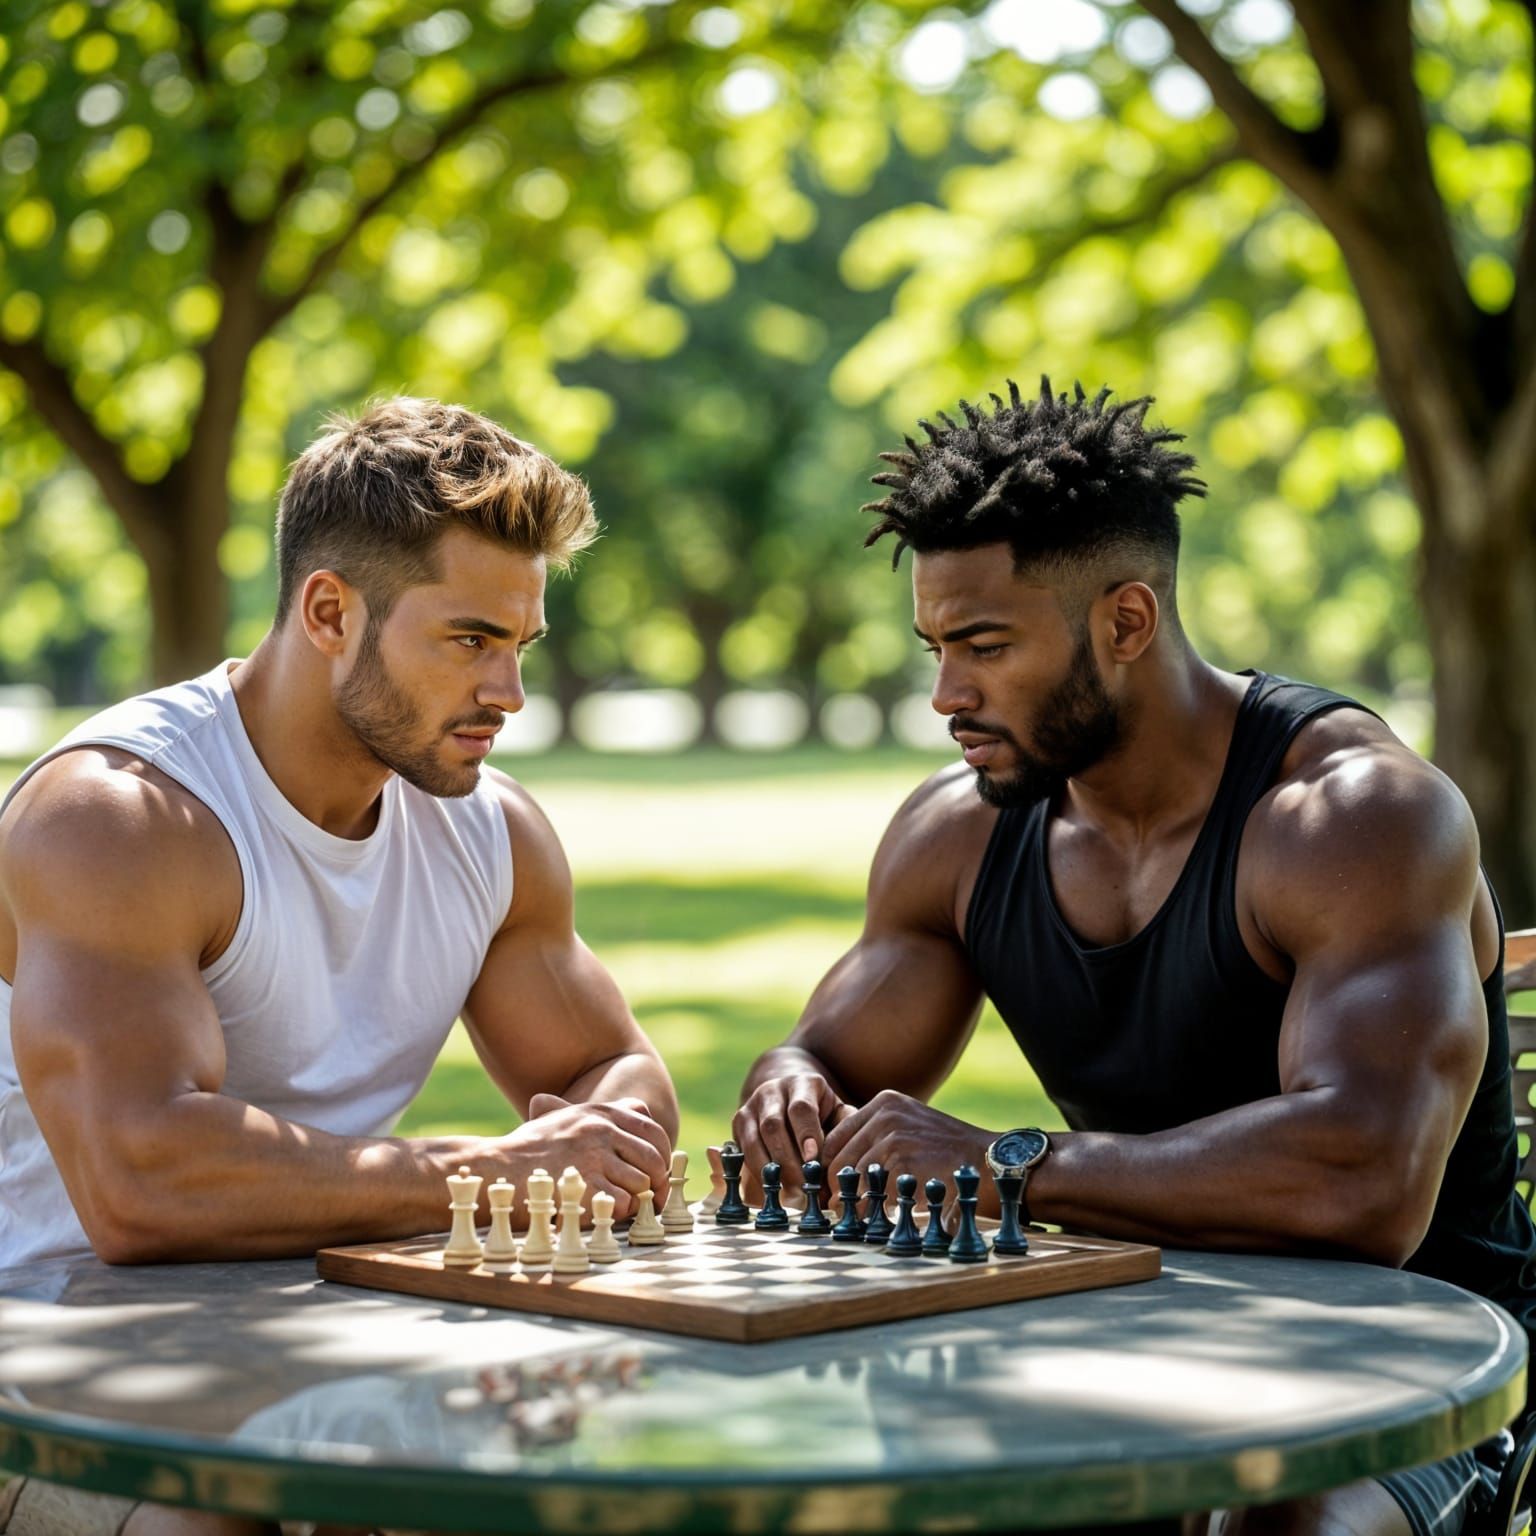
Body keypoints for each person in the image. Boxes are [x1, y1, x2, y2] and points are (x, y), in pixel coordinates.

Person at [733, 379, 1536, 1536]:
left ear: (1126, 622)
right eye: (935, 648)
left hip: (1420, 1371)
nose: (947, 695)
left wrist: (1009, 1164)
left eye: (985, 646)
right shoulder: (957, 835)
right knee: (870, 1479)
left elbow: (1365, 1186)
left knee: (1276, 1525)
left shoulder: (1352, 818)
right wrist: (788, 1090)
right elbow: (825, 1059)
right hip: (1143, 1344)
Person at [0, 396, 679, 1275]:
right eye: (470, 640)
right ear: (330, 614)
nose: (509, 693)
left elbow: (613, 1068)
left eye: (521, 645)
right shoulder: (119, 819)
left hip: (330, 1316)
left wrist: (590, 1146)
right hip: (56, 1326)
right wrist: (492, 1173)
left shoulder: (492, 834)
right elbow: (139, 1186)